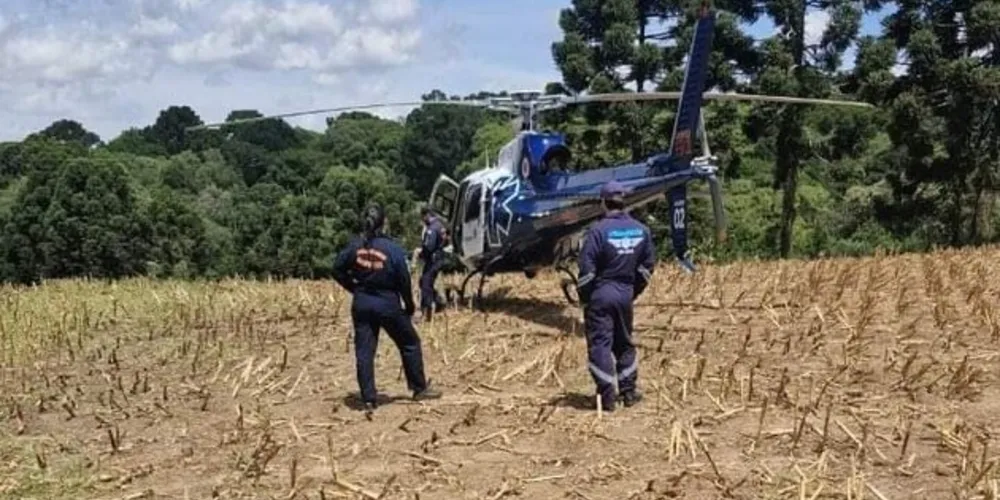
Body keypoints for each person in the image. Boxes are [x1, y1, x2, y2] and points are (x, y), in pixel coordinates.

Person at [332, 203, 442, 411]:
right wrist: (409, 306)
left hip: (362, 303)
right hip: (388, 304)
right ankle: (419, 388)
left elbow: (337, 269)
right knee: (409, 342)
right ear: (384, 223)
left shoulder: (355, 246)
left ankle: (368, 399)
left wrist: (354, 288)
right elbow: (403, 281)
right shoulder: (392, 249)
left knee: (364, 351)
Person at [576, 181, 656, 412]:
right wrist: (633, 291)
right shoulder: (642, 230)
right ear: (623, 202)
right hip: (625, 294)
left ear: (603, 203)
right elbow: (647, 267)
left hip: (601, 294)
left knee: (600, 345)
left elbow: (586, 271)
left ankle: (607, 396)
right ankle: (629, 392)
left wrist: (586, 298)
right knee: (624, 343)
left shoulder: (597, 232)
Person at [417, 206, 447, 321]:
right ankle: (438, 302)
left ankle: (427, 313)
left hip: (433, 260)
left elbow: (429, 246)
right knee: (423, 282)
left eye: (422, 217)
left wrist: (421, 253)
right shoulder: (440, 225)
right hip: (439, 258)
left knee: (425, 284)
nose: (422, 220)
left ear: (426, 215)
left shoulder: (432, 229)